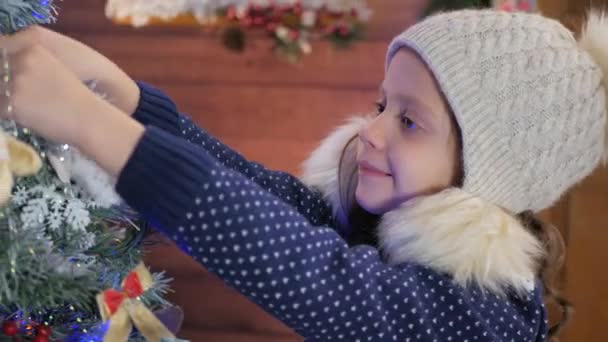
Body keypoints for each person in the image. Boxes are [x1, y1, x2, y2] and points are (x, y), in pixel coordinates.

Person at [2, 8, 607, 341]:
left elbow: (310, 271)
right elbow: (275, 199)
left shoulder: (482, 319)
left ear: (488, 175)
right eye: (381, 106)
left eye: (410, 122)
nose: (372, 131)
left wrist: (93, 127)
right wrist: (126, 98)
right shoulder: (384, 226)